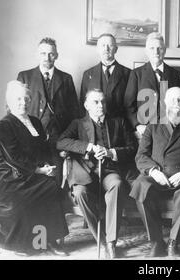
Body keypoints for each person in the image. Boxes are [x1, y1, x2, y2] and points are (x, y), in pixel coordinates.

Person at [57, 89, 138, 259]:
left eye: (103, 102)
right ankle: (101, 239)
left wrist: (111, 152)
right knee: (79, 193)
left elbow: (133, 148)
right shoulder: (77, 124)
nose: (100, 105)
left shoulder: (119, 122)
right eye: (95, 102)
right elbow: (61, 142)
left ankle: (111, 242)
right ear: (86, 105)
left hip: (110, 171)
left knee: (117, 185)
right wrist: (89, 147)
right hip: (84, 172)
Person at [130, 87, 180, 257]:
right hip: (158, 174)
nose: (177, 104)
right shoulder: (154, 125)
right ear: (165, 102)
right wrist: (153, 171)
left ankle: (174, 241)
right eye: (173, 99)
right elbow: (141, 155)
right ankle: (157, 242)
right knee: (140, 186)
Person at [0, 81, 68, 256]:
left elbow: (42, 149)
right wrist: (39, 170)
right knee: (23, 198)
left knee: (51, 187)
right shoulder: (5, 125)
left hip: (33, 171)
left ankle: (48, 240)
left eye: (27, 98)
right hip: (12, 175)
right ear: (10, 102)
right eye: (19, 99)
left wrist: (46, 165)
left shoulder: (35, 122)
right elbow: (13, 157)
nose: (23, 102)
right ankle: (23, 244)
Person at [17, 37, 79, 186]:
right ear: (37, 55)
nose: (47, 57)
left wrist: (69, 143)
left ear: (56, 55)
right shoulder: (24, 76)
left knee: (57, 178)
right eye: (43, 53)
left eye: (51, 54)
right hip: (31, 137)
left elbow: (74, 113)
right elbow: (17, 111)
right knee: (33, 178)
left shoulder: (66, 79)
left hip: (58, 139)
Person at [124, 32, 180, 138]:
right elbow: (128, 105)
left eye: (159, 48)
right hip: (145, 131)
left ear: (164, 50)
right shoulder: (137, 74)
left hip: (170, 131)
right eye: (152, 48)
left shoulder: (176, 75)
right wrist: (138, 125)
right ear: (146, 51)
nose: (156, 52)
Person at [80, 33, 131, 118]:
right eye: (103, 45)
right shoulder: (88, 74)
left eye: (110, 45)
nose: (106, 49)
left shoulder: (128, 73)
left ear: (116, 49)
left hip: (120, 126)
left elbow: (130, 105)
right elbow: (83, 104)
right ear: (97, 49)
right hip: (95, 127)